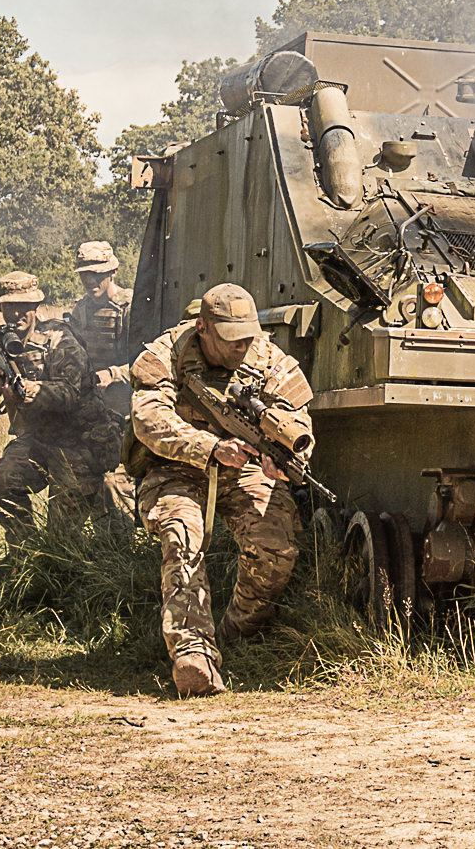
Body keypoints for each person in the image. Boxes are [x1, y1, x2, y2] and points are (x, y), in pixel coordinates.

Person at [127, 282, 313, 697]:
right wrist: (210, 447)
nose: (241, 348)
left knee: (276, 546)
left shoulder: (267, 357)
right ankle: (194, 655)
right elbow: (149, 421)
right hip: (176, 466)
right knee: (182, 536)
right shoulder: (166, 354)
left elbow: (296, 417)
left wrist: (284, 456)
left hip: (242, 469)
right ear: (202, 328)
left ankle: (237, 630)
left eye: (247, 337)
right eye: (230, 340)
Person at [0, 270, 99, 576]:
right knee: (4, 483)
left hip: (76, 442)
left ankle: (62, 576)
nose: (17, 313)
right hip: (36, 440)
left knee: (62, 539)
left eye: (24, 306)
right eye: (10, 307)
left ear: (36, 306)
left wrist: (33, 391)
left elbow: (72, 394)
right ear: (0, 310)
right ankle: (25, 556)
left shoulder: (60, 340)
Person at [64, 240, 137, 518]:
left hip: (125, 413)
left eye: (96, 273)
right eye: (84, 273)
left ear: (113, 272)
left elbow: (151, 363)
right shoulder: (80, 311)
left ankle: (124, 553)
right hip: (90, 412)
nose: (90, 280)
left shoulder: (131, 307)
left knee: (116, 486)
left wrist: (113, 373)